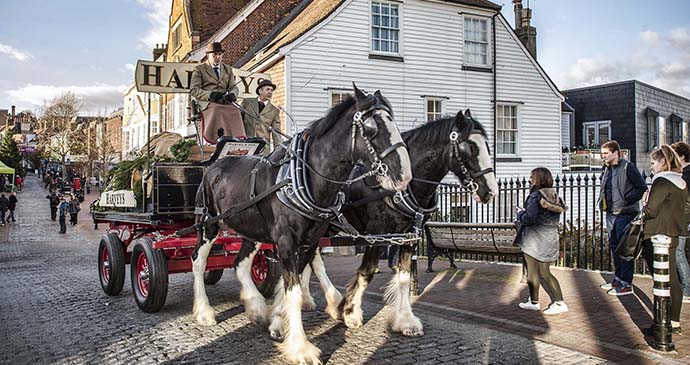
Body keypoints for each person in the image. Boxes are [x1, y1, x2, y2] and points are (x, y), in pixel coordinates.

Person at [641, 145, 686, 333]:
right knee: (673, 279)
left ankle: (661, 324)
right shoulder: (680, 182)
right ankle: (674, 320)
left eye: (653, 163)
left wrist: (645, 201)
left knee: (660, 280)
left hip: (656, 234)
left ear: (663, 162)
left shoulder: (661, 182)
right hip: (674, 233)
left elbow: (651, 210)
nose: (651, 167)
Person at [515, 167, 569, 315]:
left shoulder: (535, 196)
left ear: (538, 179)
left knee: (535, 272)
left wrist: (520, 214)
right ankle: (536, 302)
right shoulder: (554, 195)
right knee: (545, 271)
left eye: (532, 177)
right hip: (550, 237)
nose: (530, 179)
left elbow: (530, 218)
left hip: (534, 237)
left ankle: (555, 302)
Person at [597, 140, 647, 296]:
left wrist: (627, 199)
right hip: (610, 213)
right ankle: (618, 279)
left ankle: (626, 284)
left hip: (625, 214)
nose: (602, 156)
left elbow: (641, 187)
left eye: (605, 153)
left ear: (615, 153)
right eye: (602, 153)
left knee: (625, 249)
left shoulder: (628, 167)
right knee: (614, 247)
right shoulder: (606, 168)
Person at [190, 42, 244, 144]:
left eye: (219, 54)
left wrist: (233, 94)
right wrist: (210, 95)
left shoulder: (228, 69)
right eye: (214, 55)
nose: (217, 57)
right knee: (217, 109)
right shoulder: (199, 69)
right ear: (208, 55)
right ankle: (215, 139)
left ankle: (237, 140)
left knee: (236, 110)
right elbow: (194, 90)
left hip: (223, 101)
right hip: (207, 102)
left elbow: (234, 87)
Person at [671, 141, 690, 303]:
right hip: (681, 218)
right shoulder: (681, 174)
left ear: (682, 157)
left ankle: (686, 290)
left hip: (682, 220)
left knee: (679, 252)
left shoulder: (686, 175)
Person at [241, 79, 282, 151]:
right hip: (246, 144)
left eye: (272, 90)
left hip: (263, 148)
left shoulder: (274, 111)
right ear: (260, 91)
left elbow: (276, 132)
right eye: (268, 89)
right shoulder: (247, 102)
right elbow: (239, 120)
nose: (270, 92)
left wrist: (278, 150)